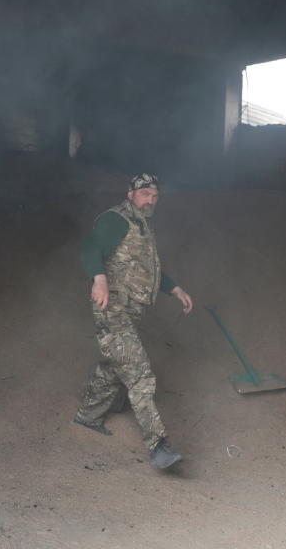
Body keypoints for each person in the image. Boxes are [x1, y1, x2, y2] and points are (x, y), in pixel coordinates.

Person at [74, 173, 193, 470]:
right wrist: (98, 279)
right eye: (145, 194)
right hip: (113, 310)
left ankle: (87, 416)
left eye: (154, 196)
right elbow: (91, 248)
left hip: (129, 312)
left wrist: (176, 289)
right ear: (131, 195)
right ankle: (158, 446)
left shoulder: (142, 226)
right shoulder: (116, 220)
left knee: (115, 365)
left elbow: (150, 270)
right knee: (139, 373)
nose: (150, 200)